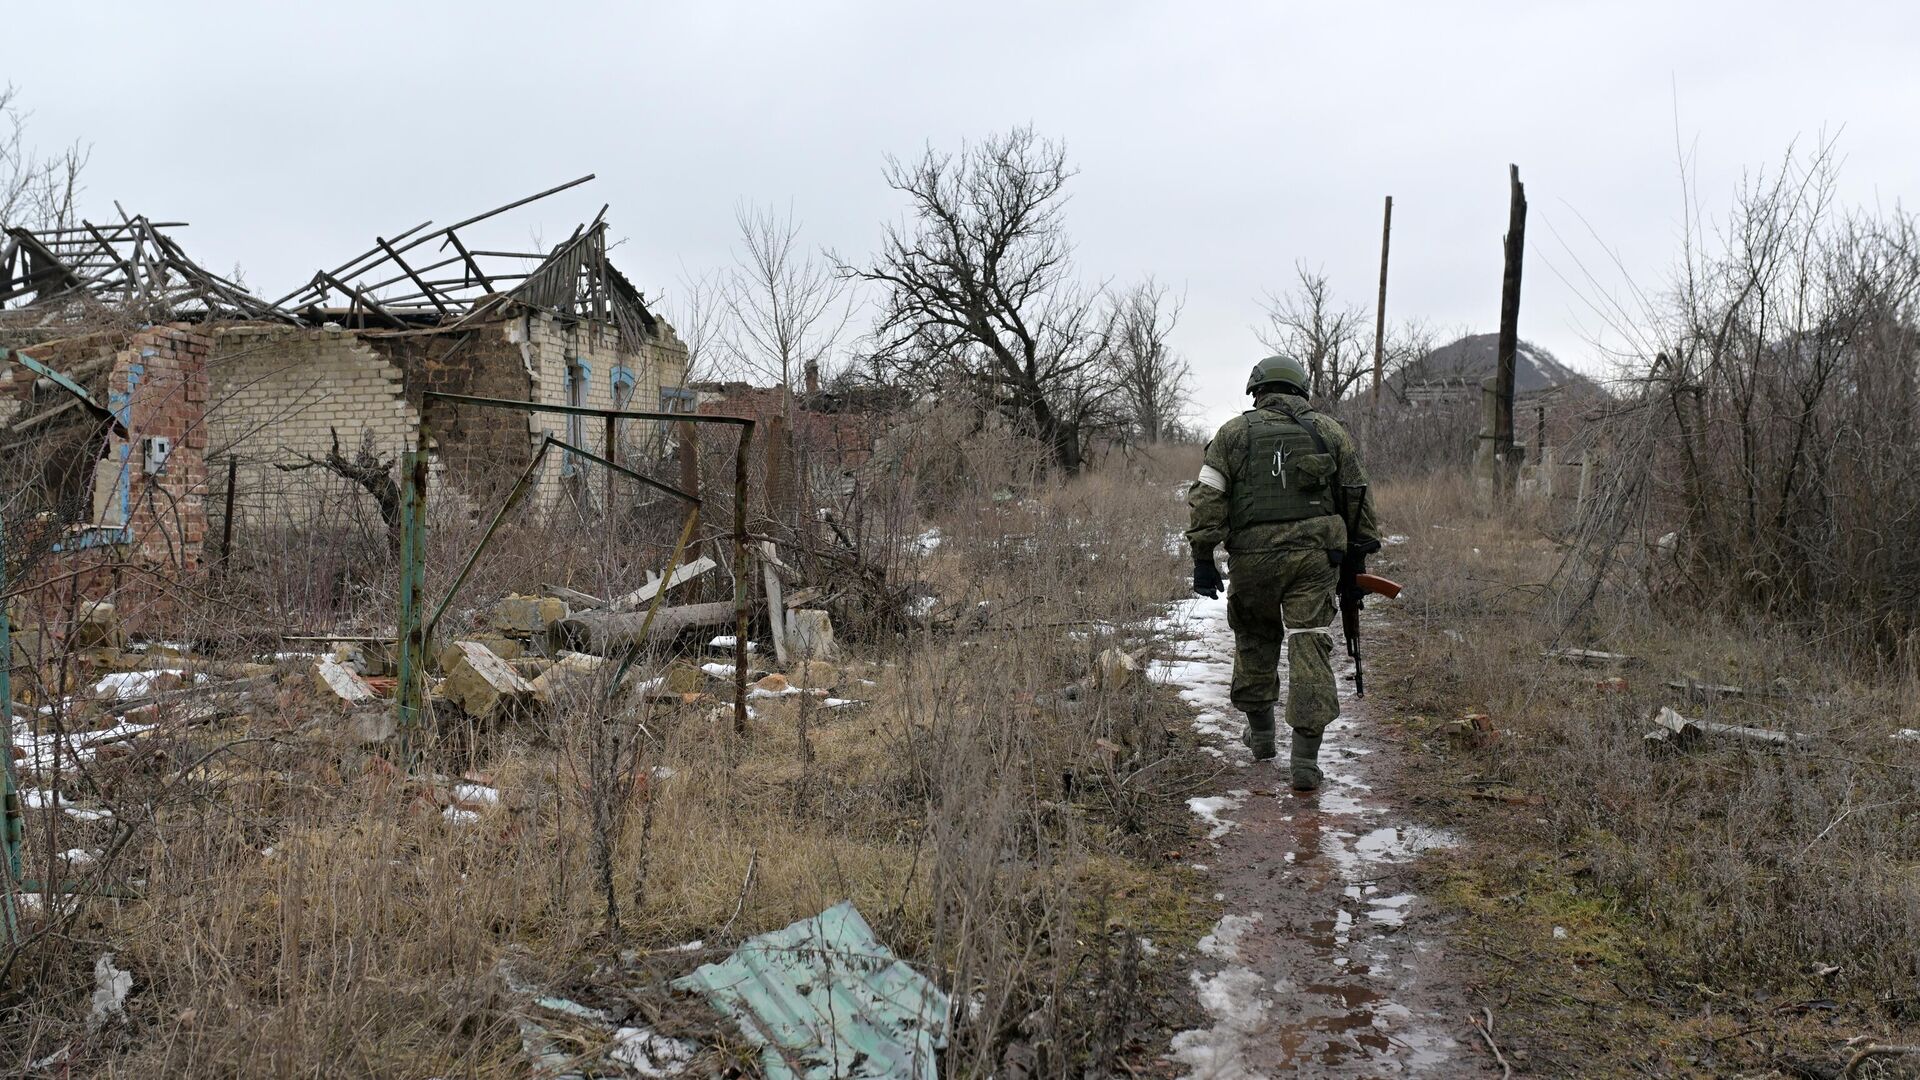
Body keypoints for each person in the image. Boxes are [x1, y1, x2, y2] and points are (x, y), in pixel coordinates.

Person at [1185, 355, 1381, 791]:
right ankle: (1306, 762)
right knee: (1308, 642)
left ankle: (1261, 737)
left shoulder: (1233, 434)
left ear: (1257, 390)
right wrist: (1359, 558)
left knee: (1255, 637)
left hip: (1252, 558)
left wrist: (1203, 556)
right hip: (1314, 561)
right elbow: (1358, 499)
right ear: (1300, 389)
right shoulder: (1329, 432)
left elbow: (1208, 498)